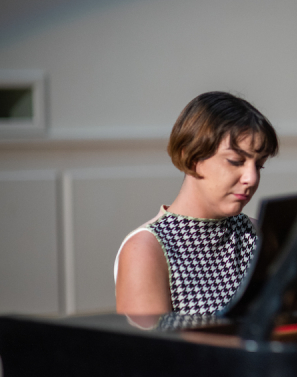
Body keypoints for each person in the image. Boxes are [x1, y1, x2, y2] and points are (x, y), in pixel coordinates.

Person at [114, 91, 278, 315]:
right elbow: (150, 349)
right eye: (236, 161)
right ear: (193, 157)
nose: (252, 178)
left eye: (259, 165)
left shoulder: (259, 235)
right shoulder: (146, 249)